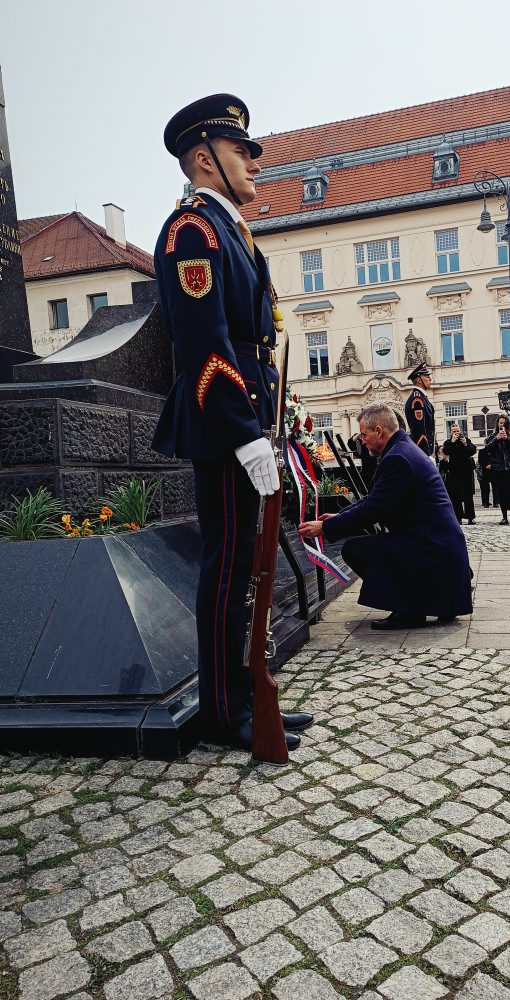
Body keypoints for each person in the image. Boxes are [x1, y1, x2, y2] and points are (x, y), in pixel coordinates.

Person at [151, 94, 312, 751]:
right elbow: (205, 346)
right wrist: (245, 433)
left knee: (249, 563)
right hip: (224, 423)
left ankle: (249, 690)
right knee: (226, 568)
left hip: (245, 416)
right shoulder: (192, 232)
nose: (252, 163)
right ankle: (225, 711)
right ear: (202, 158)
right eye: (240, 151)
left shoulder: (231, 232)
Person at [299, 404, 473, 629]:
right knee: (374, 546)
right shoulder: (401, 449)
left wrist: (325, 528)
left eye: (364, 435)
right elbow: (375, 498)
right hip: (434, 543)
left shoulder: (398, 457)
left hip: (432, 548)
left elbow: (373, 509)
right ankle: (429, 602)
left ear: (379, 431)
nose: (362, 440)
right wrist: (337, 517)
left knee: (355, 550)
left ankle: (408, 610)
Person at [485, 414, 510, 525]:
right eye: (500, 422)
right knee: (502, 493)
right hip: (498, 468)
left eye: (504, 423)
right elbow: (488, 449)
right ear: (497, 423)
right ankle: (504, 517)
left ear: (507, 424)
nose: (502, 424)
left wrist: (507, 439)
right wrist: (496, 439)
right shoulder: (491, 437)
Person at [442, 424, 477, 524]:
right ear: (450, 432)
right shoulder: (448, 442)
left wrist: (465, 444)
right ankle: (458, 517)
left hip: (466, 470)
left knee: (468, 495)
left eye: (457, 431)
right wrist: (453, 442)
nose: (456, 433)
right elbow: (446, 451)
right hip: (454, 471)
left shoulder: (466, 440)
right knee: (455, 495)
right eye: (454, 431)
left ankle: (470, 517)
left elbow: (472, 450)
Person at [404, 363, 435, 456]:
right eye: (427, 376)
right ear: (419, 380)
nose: (430, 379)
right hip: (422, 451)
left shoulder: (421, 397)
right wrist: (425, 454)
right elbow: (419, 430)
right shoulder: (417, 399)